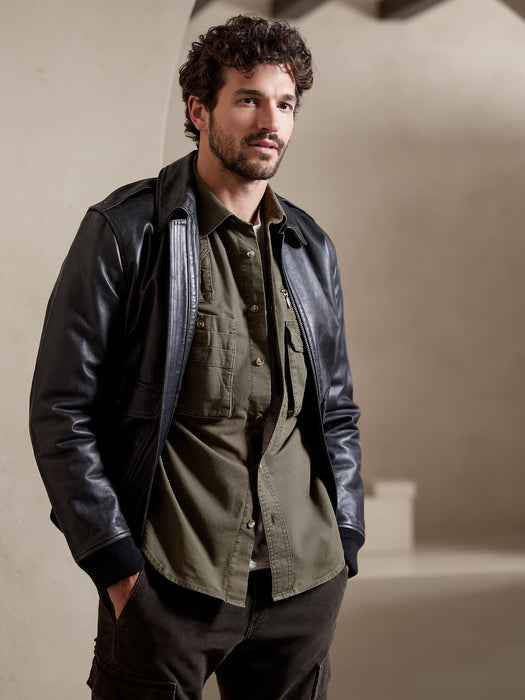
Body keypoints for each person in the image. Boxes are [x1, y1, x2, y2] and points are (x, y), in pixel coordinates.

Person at [29, 14, 364, 700]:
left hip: (302, 585)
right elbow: (62, 411)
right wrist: (116, 566)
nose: (270, 121)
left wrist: (347, 538)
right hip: (169, 586)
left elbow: (336, 410)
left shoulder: (310, 247)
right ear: (199, 110)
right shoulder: (125, 232)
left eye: (285, 103)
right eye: (248, 99)